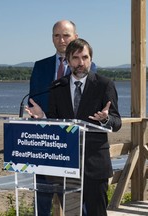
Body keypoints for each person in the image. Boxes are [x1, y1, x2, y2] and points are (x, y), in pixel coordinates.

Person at [26, 38, 122, 216]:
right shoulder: (57, 86)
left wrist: (105, 119)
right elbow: (55, 123)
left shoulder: (104, 85)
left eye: (85, 57)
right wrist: (43, 117)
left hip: (95, 165)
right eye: (76, 58)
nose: (81, 62)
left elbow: (117, 123)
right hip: (66, 165)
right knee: (71, 212)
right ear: (68, 61)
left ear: (91, 59)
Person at [29, 20, 96, 216]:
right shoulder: (39, 66)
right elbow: (34, 100)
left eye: (66, 35)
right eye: (57, 35)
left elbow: (86, 105)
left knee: (73, 201)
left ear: (75, 37)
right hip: (42, 143)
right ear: (52, 39)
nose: (61, 40)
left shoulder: (90, 66)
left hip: (71, 143)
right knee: (41, 200)